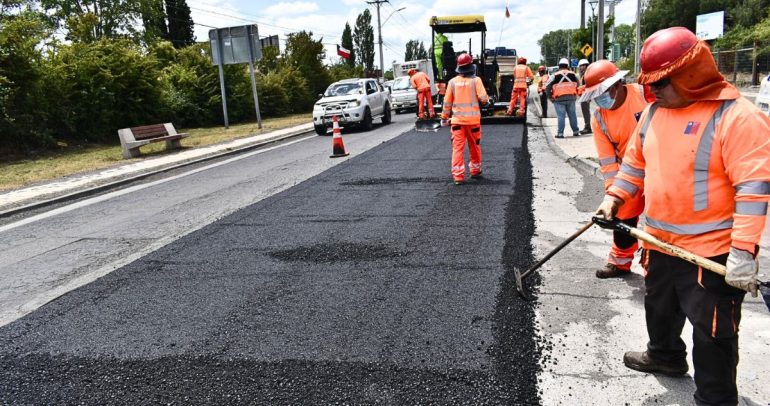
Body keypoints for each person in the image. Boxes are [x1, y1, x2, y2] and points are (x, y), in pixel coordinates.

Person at [595, 27, 770, 405]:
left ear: (691, 74)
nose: (653, 92)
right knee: (659, 307)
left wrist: (743, 252)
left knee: (713, 332)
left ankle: (715, 397)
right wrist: (614, 199)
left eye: (662, 83)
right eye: (650, 84)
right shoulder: (656, 112)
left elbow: (753, 191)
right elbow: (634, 165)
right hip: (660, 243)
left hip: (711, 252)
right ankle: (665, 356)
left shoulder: (738, 117)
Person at [578, 60, 649, 278]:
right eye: (596, 95)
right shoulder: (600, 117)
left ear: (617, 84)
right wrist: (612, 197)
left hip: (658, 168)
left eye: (603, 92)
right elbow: (608, 162)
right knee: (623, 215)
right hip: (628, 172)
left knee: (660, 220)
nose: (600, 99)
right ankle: (620, 262)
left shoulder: (644, 95)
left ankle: (657, 270)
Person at [441, 53, 489, 185]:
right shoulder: (476, 80)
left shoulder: (452, 82)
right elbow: (484, 99)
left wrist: (444, 118)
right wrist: (485, 102)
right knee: (474, 146)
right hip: (473, 122)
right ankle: (475, 171)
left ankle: (458, 177)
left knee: (457, 149)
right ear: (471, 66)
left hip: (457, 122)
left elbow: (447, 103)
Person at [546, 58, 580, 138]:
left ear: (559, 66)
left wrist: (550, 97)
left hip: (559, 99)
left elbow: (547, 86)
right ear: (567, 66)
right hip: (571, 97)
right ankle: (576, 131)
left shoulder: (554, 75)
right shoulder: (573, 74)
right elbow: (578, 85)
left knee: (561, 116)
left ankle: (560, 133)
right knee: (572, 115)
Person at [577, 58, 592, 134]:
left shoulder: (586, 75)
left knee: (586, 112)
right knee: (586, 112)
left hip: (585, 96)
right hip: (584, 96)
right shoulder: (585, 75)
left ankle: (587, 127)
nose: (580, 68)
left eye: (581, 66)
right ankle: (587, 127)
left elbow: (587, 86)